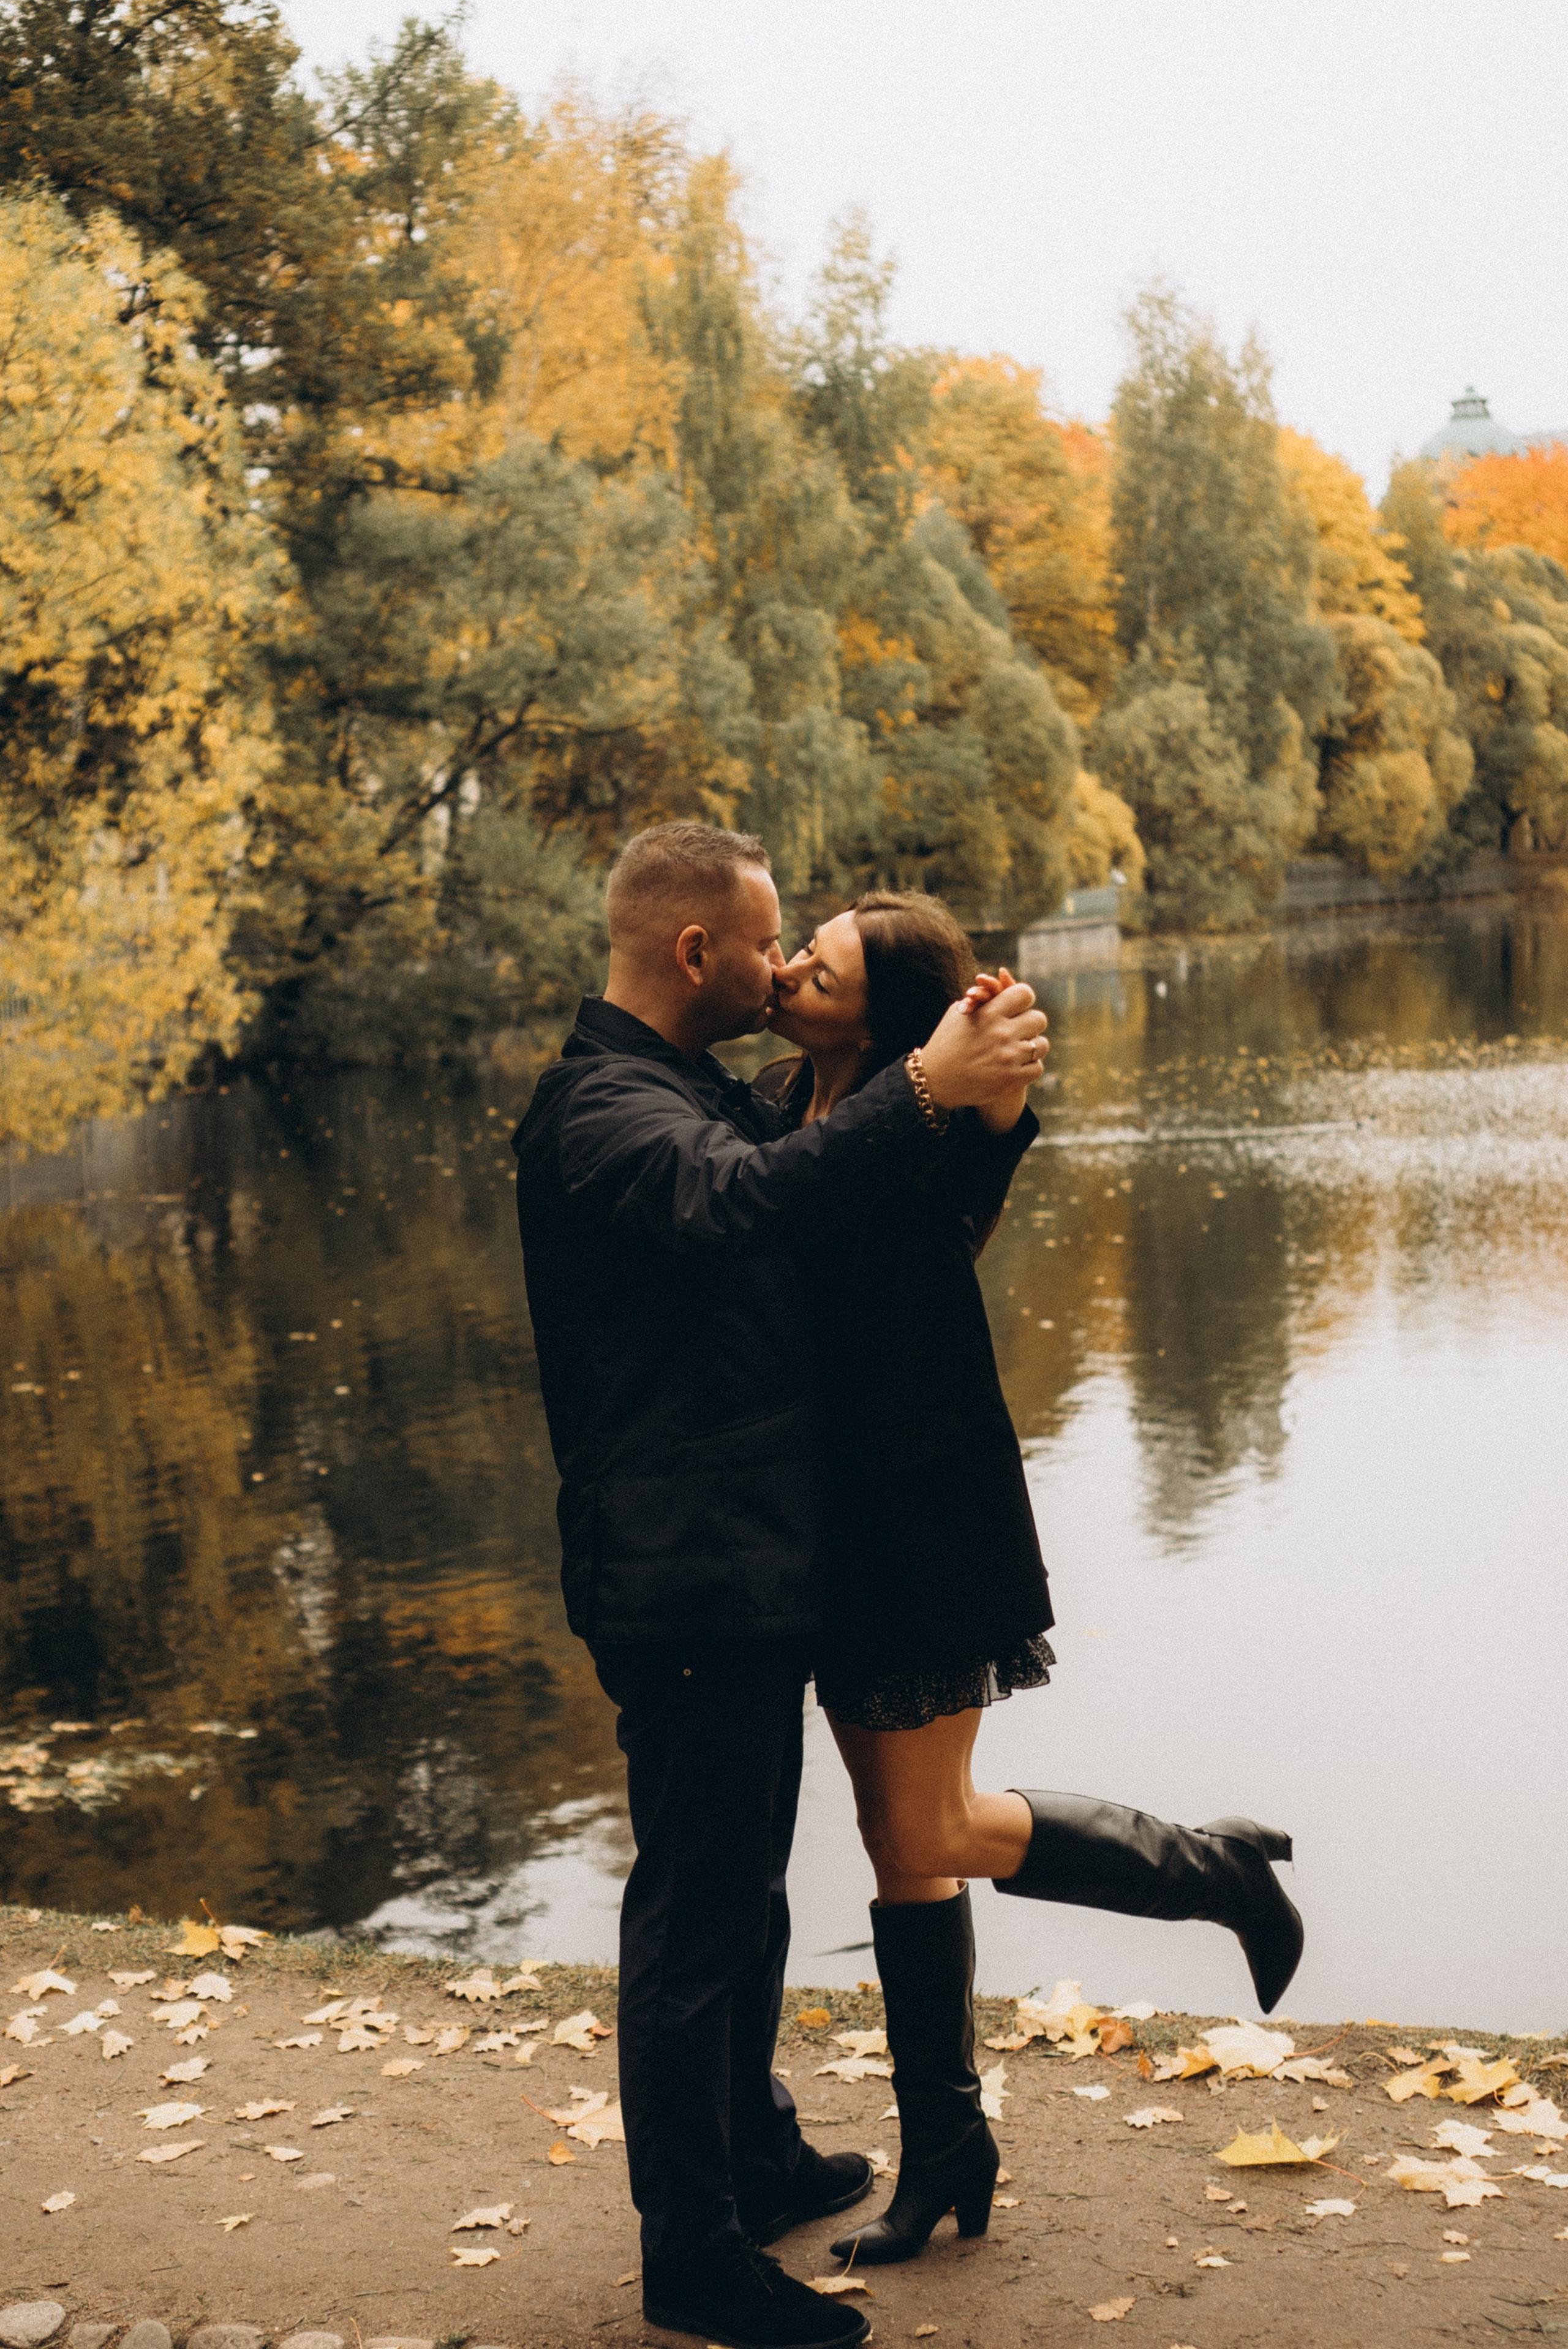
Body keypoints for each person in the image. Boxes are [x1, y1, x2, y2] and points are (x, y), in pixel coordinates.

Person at [512, 823, 1048, 2349]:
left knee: (744, 1903)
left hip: (739, 1568)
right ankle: (692, 2257)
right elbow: (741, 1202)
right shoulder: (605, 1109)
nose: (779, 962)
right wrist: (925, 1086)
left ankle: (753, 2159)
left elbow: (860, 1186)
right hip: (680, 1577)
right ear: (696, 952)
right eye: (764, 942)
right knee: (696, 1922)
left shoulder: (690, 1085)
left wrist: (981, 1100)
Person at [758, 890, 1304, 2268]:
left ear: (884, 1018)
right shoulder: (772, 1105)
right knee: (898, 1846)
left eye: (819, 969)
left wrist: (990, 1051)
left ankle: (1215, 1869)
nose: (790, 971)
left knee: (930, 1826)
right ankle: (947, 2149)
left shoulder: (941, 1122)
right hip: (827, 1528)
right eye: (800, 950)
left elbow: (994, 1120)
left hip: (926, 1520)